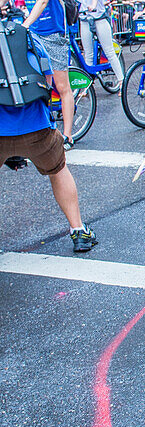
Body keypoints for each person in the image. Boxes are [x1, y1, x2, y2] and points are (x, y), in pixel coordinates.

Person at [0, 18, 96, 252]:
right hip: (37, 128)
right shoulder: (28, 37)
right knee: (58, 170)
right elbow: (48, 82)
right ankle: (78, 231)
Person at [0, 0, 74, 149]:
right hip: (34, 36)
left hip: (54, 36)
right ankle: (43, 130)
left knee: (62, 87)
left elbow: (42, 1)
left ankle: (68, 136)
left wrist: (24, 25)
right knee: (38, 84)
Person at [71, 0, 124, 89]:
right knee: (87, 54)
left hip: (98, 18)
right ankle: (87, 87)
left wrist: (93, 5)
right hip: (84, 20)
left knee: (109, 51)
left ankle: (122, 81)